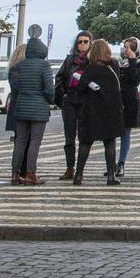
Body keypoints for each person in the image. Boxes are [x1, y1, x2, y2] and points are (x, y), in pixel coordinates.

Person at [7, 29, 57, 184]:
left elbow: (17, 86)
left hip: (21, 107)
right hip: (39, 108)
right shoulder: (44, 66)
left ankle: (15, 173)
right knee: (35, 141)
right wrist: (49, 99)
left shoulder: (19, 66)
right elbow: (49, 89)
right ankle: (30, 173)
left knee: (20, 141)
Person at [73, 41, 125, 185]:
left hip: (89, 112)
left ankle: (78, 175)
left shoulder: (88, 70)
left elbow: (80, 92)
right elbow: (117, 93)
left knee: (85, 143)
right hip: (109, 112)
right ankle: (110, 175)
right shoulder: (111, 71)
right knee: (109, 143)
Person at [51, 31, 91, 181]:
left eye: (85, 41)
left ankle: (80, 170)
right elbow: (59, 78)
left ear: (90, 43)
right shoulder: (69, 60)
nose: (82, 44)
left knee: (83, 136)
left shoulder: (92, 61)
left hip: (84, 101)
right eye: (80, 42)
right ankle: (70, 167)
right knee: (69, 136)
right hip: (70, 100)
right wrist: (63, 95)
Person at [118, 37, 140, 172]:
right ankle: (111, 163)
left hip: (129, 99)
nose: (125, 50)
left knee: (126, 133)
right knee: (112, 132)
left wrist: (132, 61)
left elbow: (135, 80)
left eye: (128, 48)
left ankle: (121, 163)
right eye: (124, 47)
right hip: (117, 98)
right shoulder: (118, 61)